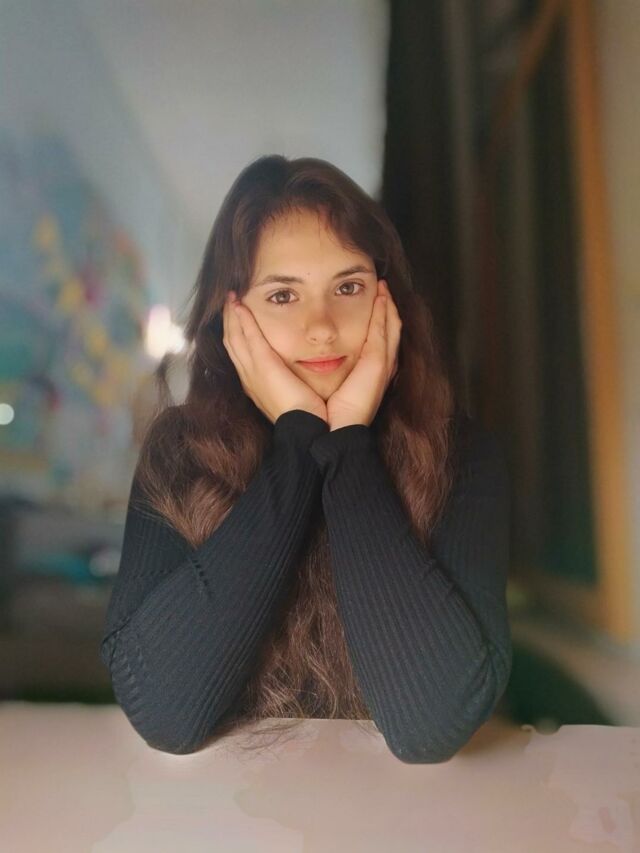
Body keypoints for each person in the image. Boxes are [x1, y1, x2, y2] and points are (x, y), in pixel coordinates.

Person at [100, 155, 512, 764]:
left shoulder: (463, 455)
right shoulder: (179, 455)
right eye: (283, 295)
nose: (321, 327)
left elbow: (434, 723)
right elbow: (164, 711)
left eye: (348, 288)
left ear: (387, 301)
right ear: (233, 318)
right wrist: (298, 438)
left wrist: (347, 443)